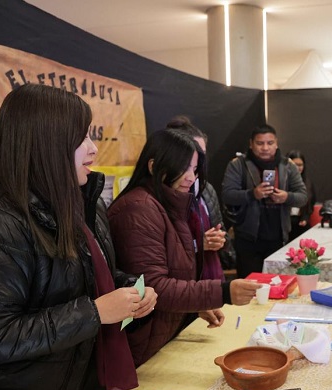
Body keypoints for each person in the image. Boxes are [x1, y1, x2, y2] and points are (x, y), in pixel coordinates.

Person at [0, 84, 157, 390]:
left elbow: (86, 278)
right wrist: (95, 312)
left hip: (81, 389)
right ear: (45, 144)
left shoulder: (76, 206)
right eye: (81, 138)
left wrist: (131, 292)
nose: (93, 149)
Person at [108, 129, 258, 366]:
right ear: (154, 166)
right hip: (139, 344)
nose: (191, 178)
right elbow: (153, 287)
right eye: (184, 168)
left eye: (195, 170)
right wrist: (224, 292)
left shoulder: (168, 204)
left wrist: (193, 308)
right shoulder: (139, 209)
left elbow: (172, 273)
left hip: (158, 336)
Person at [222, 124, 307, 278]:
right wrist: (252, 194)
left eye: (270, 143)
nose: (265, 148)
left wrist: (286, 197)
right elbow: (227, 195)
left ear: (276, 143)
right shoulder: (238, 164)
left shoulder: (288, 165)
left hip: (279, 238)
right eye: (260, 143)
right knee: (250, 285)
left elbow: (302, 197)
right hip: (247, 238)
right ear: (251, 144)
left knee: (277, 284)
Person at [166, 115, 226, 280]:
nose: (199, 162)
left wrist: (219, 239)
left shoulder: (207, 189)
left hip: (210, 271)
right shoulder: (161, 196)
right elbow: (163, 251)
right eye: (193, 155)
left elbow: (220, 227)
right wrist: (197, 244)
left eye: (202, 155)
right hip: (181, 281)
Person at [286, 150, 316, 242]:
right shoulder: (282, 182)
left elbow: (312, 203)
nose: (298, 168)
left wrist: (305, 218)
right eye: (295, 164)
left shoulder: (308, 183)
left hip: (301, 222)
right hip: (285, 223)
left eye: (300, 165)